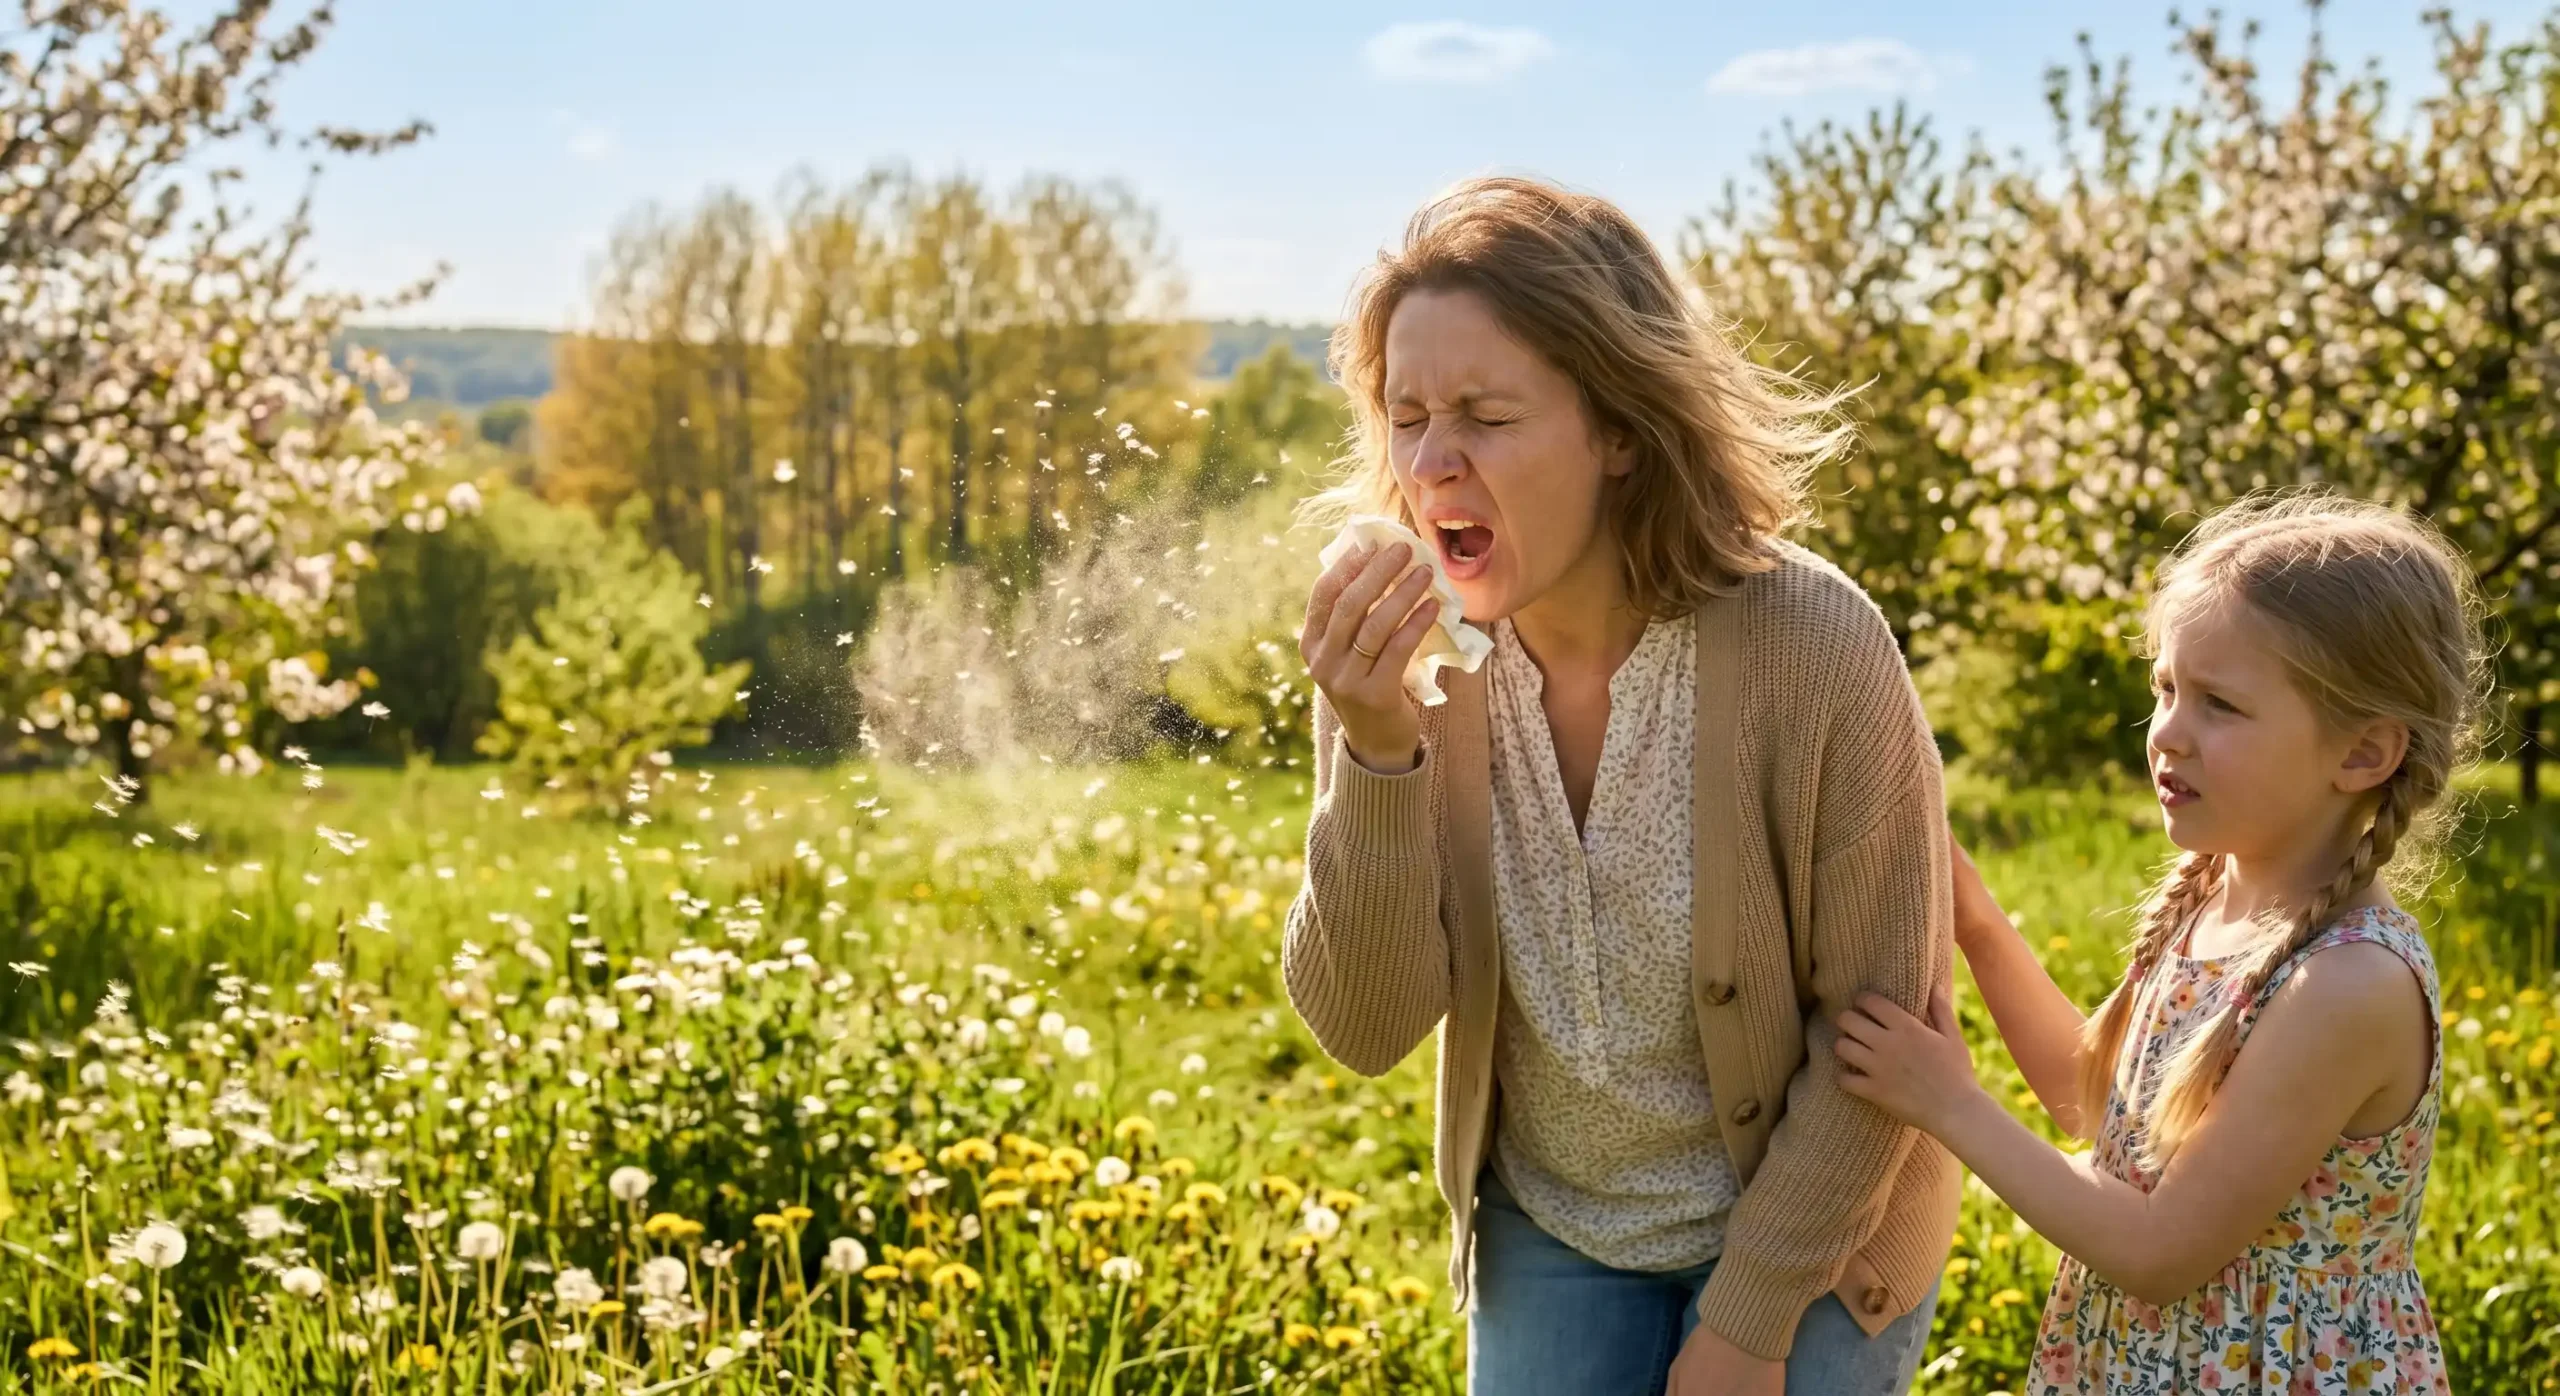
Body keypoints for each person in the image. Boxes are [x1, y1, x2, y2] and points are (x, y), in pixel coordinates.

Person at [1282, 174, 1958, 1396]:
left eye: (1485, 415)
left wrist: (1749, 1324)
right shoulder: (1400, 665)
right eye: (1406, 415)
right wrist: (1375, 750)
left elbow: (1880, 1037)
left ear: (1621, 433)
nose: (1432, 463)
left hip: (1814, 1223)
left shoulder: (1812, 645)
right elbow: (1365, 1025)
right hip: (1554, 1226)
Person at [1835, 494, 2481, 1395]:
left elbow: (2157, 1250)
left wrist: (1950, 1103)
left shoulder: (2347, 982)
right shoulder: (2217, 902)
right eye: (2166, 689)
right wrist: (1976, 921)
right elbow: (2096, 1105)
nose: (2168, 733)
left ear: (2364, 754)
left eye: (2220, 705)